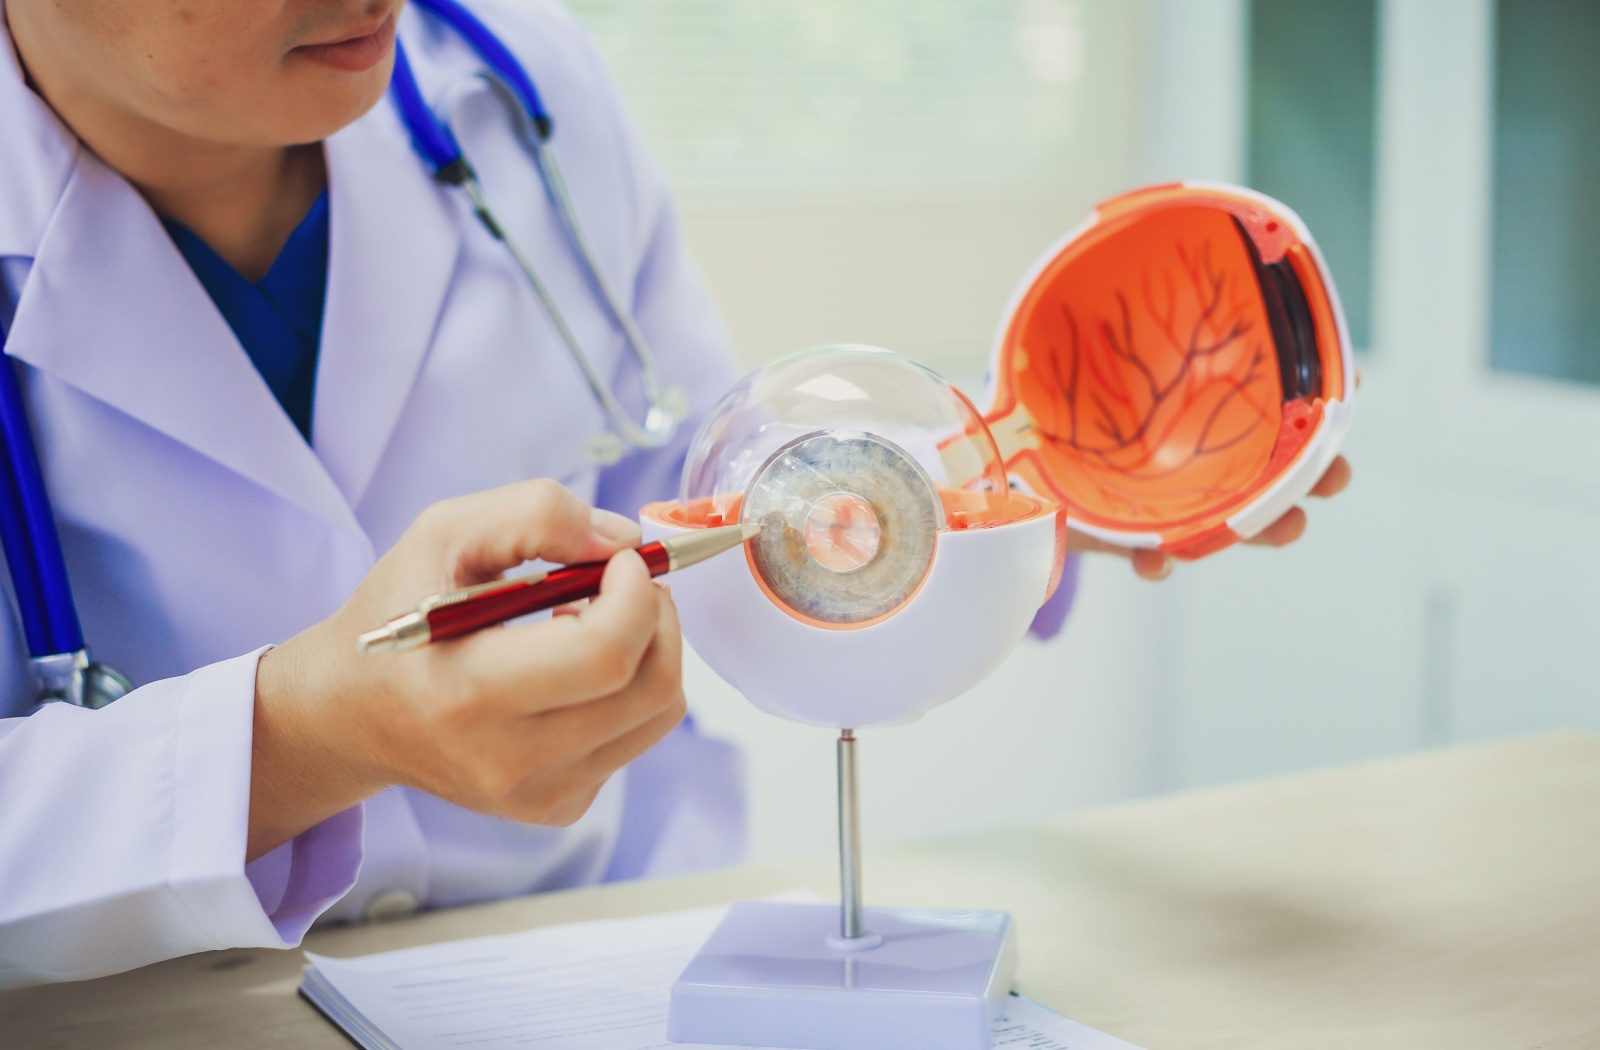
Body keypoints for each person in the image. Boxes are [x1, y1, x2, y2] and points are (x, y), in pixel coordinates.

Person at [0, 0, 1350, 987]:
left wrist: (1019, 496)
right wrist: (300, 737)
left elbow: (709, 524)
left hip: (590, 967)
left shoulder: (528, 92)